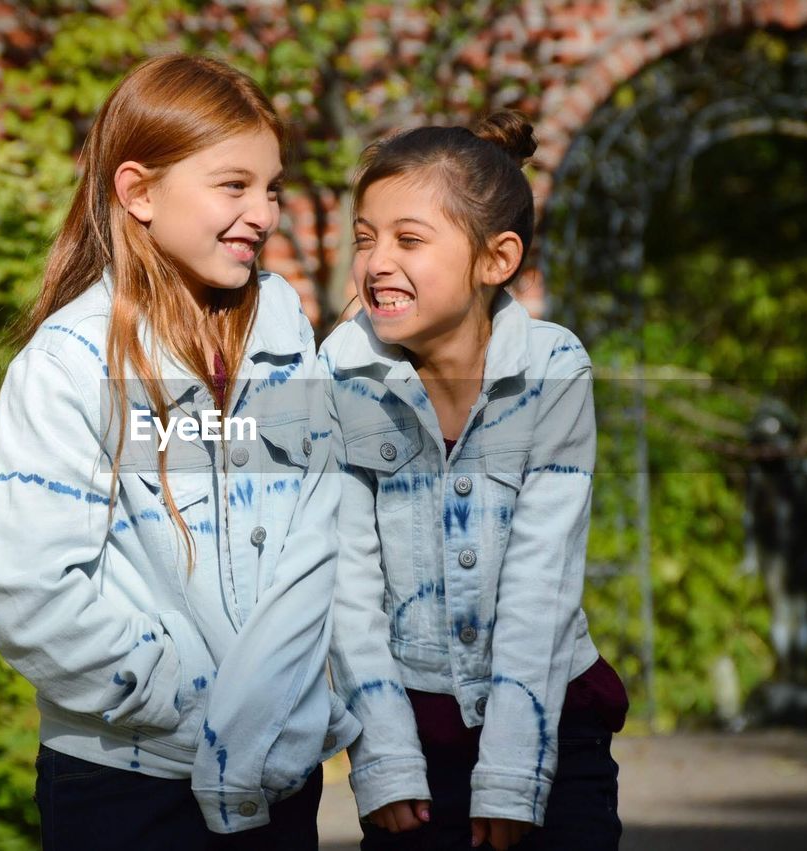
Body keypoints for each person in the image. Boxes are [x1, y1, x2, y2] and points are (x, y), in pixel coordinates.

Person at [0, 53, 357, 851]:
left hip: (277, 780)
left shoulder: (291, 345)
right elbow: (32, 592)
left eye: (272, 186)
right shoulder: (68, 365)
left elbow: (322, 540)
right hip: (126, 783)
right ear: (138, 190)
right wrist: (194, 698)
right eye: (234, 184)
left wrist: (280, 709)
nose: (264, 210)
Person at [322, 111, 627, 850]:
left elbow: (541, 579)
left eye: (410, 239)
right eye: (366, 238)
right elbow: (346, 582)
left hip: (554, 728)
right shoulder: (341, 371)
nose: (377, 261)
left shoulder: (555, 367)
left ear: (496, 259)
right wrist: (384, 759)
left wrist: (515, 773)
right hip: (413, 741)